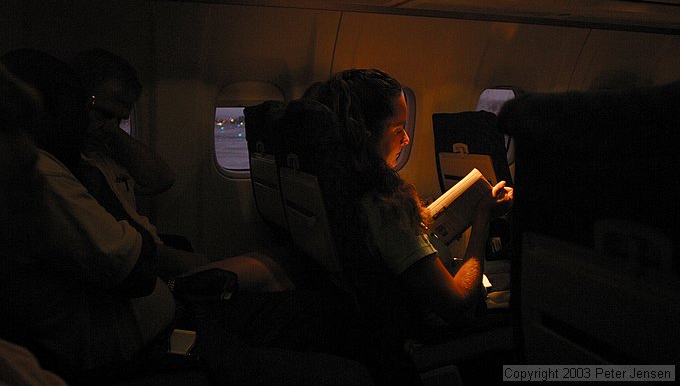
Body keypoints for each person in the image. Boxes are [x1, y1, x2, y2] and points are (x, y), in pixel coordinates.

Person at [0, 49, 373, 386]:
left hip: (170, 310)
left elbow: (160, 179)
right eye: (94, 111)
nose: (104, 124)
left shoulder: (86, 160)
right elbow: (137, 270)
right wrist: (193, 270)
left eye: (120, 117)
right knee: (345, 370)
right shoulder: (46, 176)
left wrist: (105, 133)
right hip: (154, 341)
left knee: (317, 307)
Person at [302, 69, 514, 343]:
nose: (407, 139)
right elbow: (458, 303)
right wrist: (481, 216)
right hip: (425, 332)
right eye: (398, 129)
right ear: (366, 135)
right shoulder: (384, 204)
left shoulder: (336, 184)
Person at [70, 48, 295, 288]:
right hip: (146, 268)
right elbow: (128, 250)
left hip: (152, 254)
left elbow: (161, 179)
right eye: (104, 113)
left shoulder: (103, 153)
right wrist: (196, 264)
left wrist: (109, 126)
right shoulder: (78, 171)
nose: (110, 126)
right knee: (274, 269)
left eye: (120, 119)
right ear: (74, 99)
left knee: (278, 264)